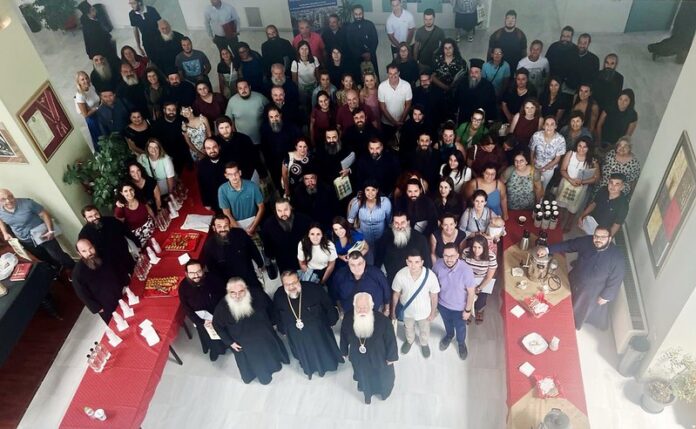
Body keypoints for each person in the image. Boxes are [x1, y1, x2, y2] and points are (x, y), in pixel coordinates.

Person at [542, 226, 625, 330]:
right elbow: (569, 245)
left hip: (591, 292)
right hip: (574, 279)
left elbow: (616, 280)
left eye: (602, 237)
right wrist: (547, 249)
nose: (598, 239)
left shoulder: (617, 258)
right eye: (596, 236)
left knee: (577, 311)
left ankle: (567, 326)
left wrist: (606, 296)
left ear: (609, 238)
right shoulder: (586, 241)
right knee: (561, 300)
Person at [213, 278, 289, 384]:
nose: (237, 296)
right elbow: (217, 326)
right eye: (233, 293)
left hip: (265, 334)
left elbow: (271, 308)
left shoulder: (258, 294)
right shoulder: (222, 308)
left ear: (246, 289)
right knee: (257, 361)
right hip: (245, 344)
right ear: (228, 292)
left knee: (271, 354)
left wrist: (274, 323)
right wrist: (230, 342)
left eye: (241, 291)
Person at [273, 271, 343, 378]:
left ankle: (329, 365)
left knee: (324, 352)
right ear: (283, 284)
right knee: (305, 354)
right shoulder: (279, 295)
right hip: (297, 336)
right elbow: (277, 314)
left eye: (294, 282)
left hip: (319, 333)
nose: (291, 287)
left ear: (299, 280)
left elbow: (328, 305)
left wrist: (332, 321)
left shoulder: (314, 289)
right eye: (287, 284)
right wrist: (282, 329)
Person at [340, 292, 398, 404]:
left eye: (365, 307)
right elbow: (343, 335)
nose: (362, 310)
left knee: (382, 378)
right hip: (358, 357)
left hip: (379, 357)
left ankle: (383, 393)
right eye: (359, 307)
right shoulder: (348, 318)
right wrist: (344, 350)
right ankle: (367, 394)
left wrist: (391, 357)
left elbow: (391, 341)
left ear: (371, 306)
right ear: (354, 306)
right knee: (363, 377)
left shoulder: (383, 321)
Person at [0, 190, 75, 272]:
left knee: (58, 256)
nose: (8, 201)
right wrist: (5, 233)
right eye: (3, 199)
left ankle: (75, 269)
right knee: (44, 258)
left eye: (10, 196)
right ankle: (60, 270)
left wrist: (50, 231)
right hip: (25, 239)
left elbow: (44, 214)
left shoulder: (27, 203)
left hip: (42, 235)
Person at [390, 249, 440, 357]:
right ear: (406, 262)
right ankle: (410, 341)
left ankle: (424, 343)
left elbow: (434, 296)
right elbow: (396, 294)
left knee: (424, 329)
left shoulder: (430, 276)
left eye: (417, 262)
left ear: (422, 262)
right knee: (408, 328)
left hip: (424, 311)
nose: (413, 265)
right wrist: (392, 311)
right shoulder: (400, 275)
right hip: (407, 311)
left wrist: (433, 312)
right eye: (410, 262)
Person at [433, 243, 476, 359]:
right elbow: (433, 283)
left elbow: (471, 293)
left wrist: (467, 310)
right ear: (442, 255)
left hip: (459, 308)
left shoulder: (466, 270)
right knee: (447, 323)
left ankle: (461, 343)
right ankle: (449, 335)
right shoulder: (437, 265)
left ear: (458, 255)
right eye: (446, 256)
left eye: (452, 256)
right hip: (443, 304)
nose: (449, 259)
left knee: (460, 328)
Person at [179, 259, 227, 361]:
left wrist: (220, 314)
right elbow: (186, 307)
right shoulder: (183, 287)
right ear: (186, 273)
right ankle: (215, 350)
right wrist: (201, 321)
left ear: (203, 270)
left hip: (218, 315)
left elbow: (224, 295)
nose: (196, 275)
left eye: (198, 272)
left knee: (224, 333)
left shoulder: (213, 279)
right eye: (192, 273)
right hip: (201, 320)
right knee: (209, 337)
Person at [203, 214, 264, 289]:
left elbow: (252, 249)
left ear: (230, 226)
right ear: (214, 228)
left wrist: (260, 263)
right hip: (229, 281)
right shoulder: (209, 246)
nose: (223, 229)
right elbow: (213, 270)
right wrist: (223, 286)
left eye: (226, 226)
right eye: (219, 226)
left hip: (248, 273)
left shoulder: (240, 233)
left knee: (258, 291)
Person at [72, 239, 126, 323]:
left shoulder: (105, 255)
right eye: (84, 251)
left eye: (90, 248)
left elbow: (117, 268)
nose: (89, 253)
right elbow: (82, 294)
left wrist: (125, 283)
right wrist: (98, 308)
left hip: (121, 292)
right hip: (106, 305)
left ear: (93, 246)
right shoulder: (78, 273)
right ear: (79, 254)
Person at [79, 205, 137, 277]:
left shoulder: (111, 220)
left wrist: (137, 244)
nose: (95, 218)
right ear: (85, 219)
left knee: (136, 274)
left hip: (125, 255)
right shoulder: (84, 235)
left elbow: (126, 231)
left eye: (96, 214)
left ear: (99, 212)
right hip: (109, 265)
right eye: (90, 217)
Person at [556, 137, 600, 231]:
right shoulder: (570, 154)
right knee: (561, 203)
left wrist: (582, 182)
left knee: (573, 207)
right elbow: (563, 170)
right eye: (579, 146)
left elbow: (596, 178)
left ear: (589, 148)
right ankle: (560, 218)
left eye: (585, 147)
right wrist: (570, 179)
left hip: (580, 187)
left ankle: (569, 222)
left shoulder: (592, 160)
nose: (581, 149)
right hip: (566, 182)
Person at [331, 250, 390, 318]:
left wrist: (387, 309)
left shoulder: (376, 273)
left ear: (364, 262)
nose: (357, 268)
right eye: (353, 265)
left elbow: (386, 290)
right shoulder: (340, 275)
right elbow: (335, 294)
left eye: (359, 264)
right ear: (348, 264)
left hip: (374, 312)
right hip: (349, 314)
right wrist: (340, 310)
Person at [376, 212, 431, 285]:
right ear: (392, 224)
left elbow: (427, 263)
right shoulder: (385, 238)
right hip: (392, 282)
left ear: (408, 222)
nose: (399, 226)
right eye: (396, 223)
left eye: (402, 223)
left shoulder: (420, 239)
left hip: (415, 282)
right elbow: (378, 261)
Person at [261, 198, 312, 273]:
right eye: (279, 211)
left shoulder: (304, 219)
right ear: (275, 210)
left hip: (305, 261)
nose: (283, 213)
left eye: (285, 209)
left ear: (291, 207)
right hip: (284, 264)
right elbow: (267, 245)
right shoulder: (268, 225)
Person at [347, 181, 392, 265]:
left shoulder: (385, 202)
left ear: (377, 190)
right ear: (364, 191)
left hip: (381, 237)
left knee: (381, 257)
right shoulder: (358, 202)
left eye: (373, 190)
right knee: (368, 260)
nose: (370, 193)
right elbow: (350, 220)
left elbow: (389, 220)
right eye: (367, 190)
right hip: (364, 238)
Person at [260, 106, 303, 191]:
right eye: (271, 117)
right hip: (275, 164)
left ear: (280, 115)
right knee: (280, 186)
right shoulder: (264, 129)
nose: (274, 119)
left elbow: (300, 142)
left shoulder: (291, 127)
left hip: (291, 161)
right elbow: (265, 149)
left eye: (276, 116)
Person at [217, 162, 265, 236]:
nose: (234, 177)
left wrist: (254, 226)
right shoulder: (222, 190)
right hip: (235, 225)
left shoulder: (252, 186)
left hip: (254, 222)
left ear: (240, 172)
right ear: (226, 176)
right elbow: (226, 213)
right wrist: (240, 230)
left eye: (236, 173)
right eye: (230, 174)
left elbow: (261, 207)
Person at [578, 173, 629, 238]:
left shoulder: (623, 204)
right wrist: (582, 216)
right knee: (583, 237)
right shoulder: (603, 190)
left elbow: (617, 224)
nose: (613, 186)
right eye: (611, 182)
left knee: (594, 242)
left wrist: (608, 238)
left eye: (617, 184)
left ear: (622, 187)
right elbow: (593, 204)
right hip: (592, 220)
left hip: (603, 230)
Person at [461, 235, 497, 324]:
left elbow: (489, 277)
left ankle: (480, 311)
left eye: (479, 247)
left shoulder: (491, 256)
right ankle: (469, 310)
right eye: (474, 247)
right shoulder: (466, 252)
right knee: (466, 297)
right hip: (468, 279)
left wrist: (479, 288)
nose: (476, 250)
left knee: (480, 301)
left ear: (484, 247)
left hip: (482, 280)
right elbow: (462, 268)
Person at [224, 80, 268, 146]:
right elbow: (228, 120)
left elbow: (271, 112)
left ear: (249, 87)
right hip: (242, 141)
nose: (243, 90)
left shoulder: (260, 98)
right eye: (240, 88)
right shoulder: (232, 101)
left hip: (261, 139)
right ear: (237, 90)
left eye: (245, 87)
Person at [153, 101, 192, 174]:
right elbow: (157, 141)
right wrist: (164, 155)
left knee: (190, 171)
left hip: (184, 151)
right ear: (164, 110)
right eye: (169, 109)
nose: (171, 111)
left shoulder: (181, 120)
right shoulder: (158, 124)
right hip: (168, 154)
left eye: (173, 109)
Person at [529, 116, 567, 189]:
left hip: (549, 168)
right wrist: (533, 166)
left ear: (555, 126)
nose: (549, 127)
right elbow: (532, 151)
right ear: (543, 126)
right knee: (532, 185)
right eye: (547, 124)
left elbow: (557, 160)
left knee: (543, 187)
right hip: (535, 165)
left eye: (552, 124)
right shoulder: (536, 135)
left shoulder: (560, 139)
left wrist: (543, 169)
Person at [431, 38, 466, 116]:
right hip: (438, 92)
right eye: (445, 48)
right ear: (442, 49)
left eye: (450, 48)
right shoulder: (436, 59)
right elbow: (432, 76)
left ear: (454, 48)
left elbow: (464, 79)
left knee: (451, 115)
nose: (448, 50)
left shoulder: (461, 62)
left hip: (454, 95)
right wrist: (446, 87)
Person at [344, 4, 380, 79]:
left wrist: (369, 53)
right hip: (357, 57)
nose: (358, 16)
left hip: (370, 56)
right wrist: (361, 54)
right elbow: (350, 43)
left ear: (363, 13)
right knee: (359, 77)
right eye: (356, 14)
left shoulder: (370, 24)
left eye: (360, 14)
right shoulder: (350, 28)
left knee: (374, 77)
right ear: (353, 14)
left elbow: (375, 40)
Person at [545, 26, 577, 93]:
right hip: (552, 83)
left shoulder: (576, 49)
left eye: (568, 36)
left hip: (568, 86)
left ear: (571, 37)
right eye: (563, 36)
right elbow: (546, 64)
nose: (565, 39)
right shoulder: (553, 47)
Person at [291, 41, 321, 113]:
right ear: (298, 50)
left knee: (315, 103)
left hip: (314, 86)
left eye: (306, 49)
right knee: (304, 105)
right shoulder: (295, 63)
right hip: (302, 89)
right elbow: (294, 80)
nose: (304, 51)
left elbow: (317, 74)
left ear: (309, 50)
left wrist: (319, 85)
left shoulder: (314, 59)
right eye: (302, 49)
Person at [74, 71, 102, 147]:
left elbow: (97, 98)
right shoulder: (80, 96)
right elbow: (85, 114)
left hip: (100, 113)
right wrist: (97, 108)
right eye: (82, 79)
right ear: (79, 82)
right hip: (92, 118)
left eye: (86, 78)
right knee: (100, 139)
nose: (85, 80)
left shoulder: (91, 87)